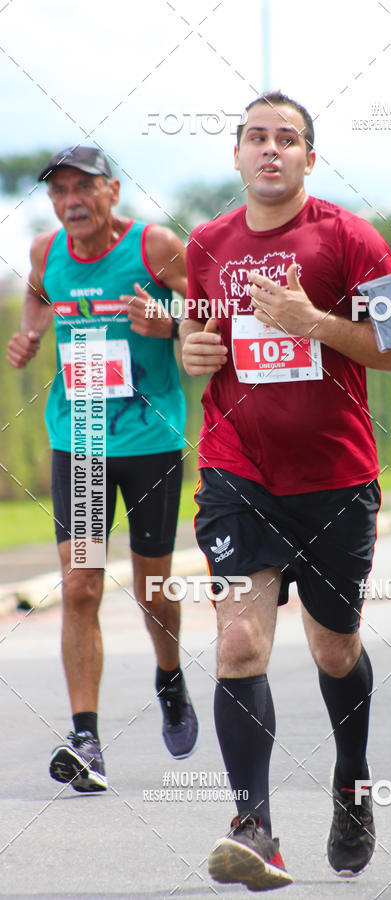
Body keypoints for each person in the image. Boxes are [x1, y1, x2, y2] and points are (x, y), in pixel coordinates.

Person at [181, 92, 391, 890]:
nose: (271, 150)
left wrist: (311, 321)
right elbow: (204, 346)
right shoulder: (206, 245)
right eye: (256, 137)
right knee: (240, 644)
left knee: (334, 648)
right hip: (236, 473)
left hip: (336, 480)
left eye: (288, 139)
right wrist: (195, 356)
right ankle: (253, 826)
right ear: (238, 154)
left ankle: (351, 783)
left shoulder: (349, 237)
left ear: (310, 159)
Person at [6, 146, 198, 793]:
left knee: (151, 586)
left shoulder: (156, 247)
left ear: (113, 190)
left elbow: (209, 314)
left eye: (83, 187)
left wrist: (166, 321)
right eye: (59, 191)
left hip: (149, 439)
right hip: (82, 437)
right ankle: (85, 737)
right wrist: (32, 334)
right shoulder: (45, 253)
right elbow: (38, 296)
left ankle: (168, 675)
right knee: (82, 584)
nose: (71, 202)